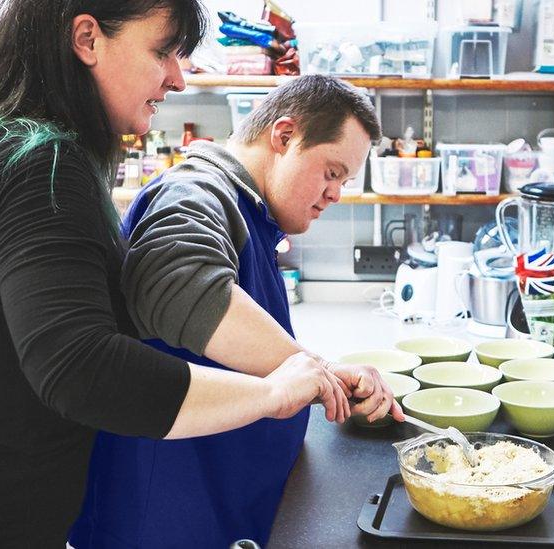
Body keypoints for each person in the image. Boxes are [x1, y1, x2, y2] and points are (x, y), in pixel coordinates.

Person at [0, 3, 383, 547]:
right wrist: (271, 393)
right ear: (88, 39)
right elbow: (80, 366)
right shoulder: (37, 160)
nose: (178, 78)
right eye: (163, 52)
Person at [69, 76, 401, 549]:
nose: (335, 194)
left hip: (222, 505)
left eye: (344, 182)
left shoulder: (253, 212)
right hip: (166, 519)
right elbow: (176, 282)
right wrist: (321, 373)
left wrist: (323, 376)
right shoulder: (197, 191)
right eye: (331, 172)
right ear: (284, 137)